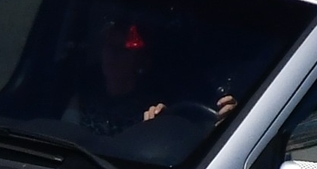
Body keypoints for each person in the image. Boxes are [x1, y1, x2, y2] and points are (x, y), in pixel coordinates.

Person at [64, 17, 236, 134]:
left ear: (141, 61)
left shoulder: (158, 107)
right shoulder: (84, 94)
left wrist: (160, 125)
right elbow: (65, 136)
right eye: (109, 47)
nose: (113, 56)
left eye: (123, 50)